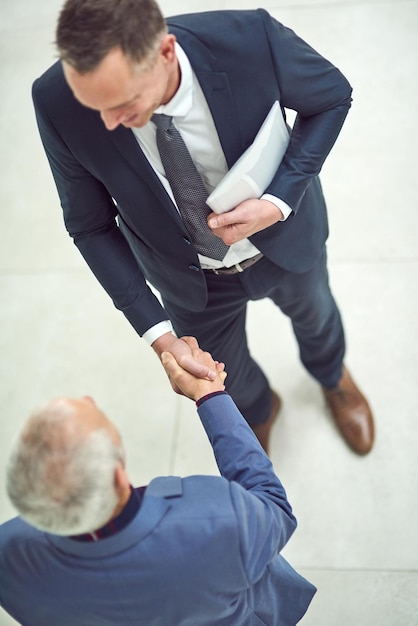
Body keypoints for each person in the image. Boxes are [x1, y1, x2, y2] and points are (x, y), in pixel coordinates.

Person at [32, 0, 374, 455]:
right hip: (188, 278)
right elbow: (89, 225)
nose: (108, 123)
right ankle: (260, 410)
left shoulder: (252, 39)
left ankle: (332, 376)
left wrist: (278, 200)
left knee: (318, 318)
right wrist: (158, 334)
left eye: (122, 104)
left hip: (286, 241)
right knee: (226, 372)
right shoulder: (57, 100)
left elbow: (332, 96)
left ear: (166, 53)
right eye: (94, 107)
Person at [0, 338, 316, 626]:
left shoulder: (7, 555)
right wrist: (210, 395)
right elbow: (274, 507)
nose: (88, 398)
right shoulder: (215, 522)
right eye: (96, 416)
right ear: (118, 475)